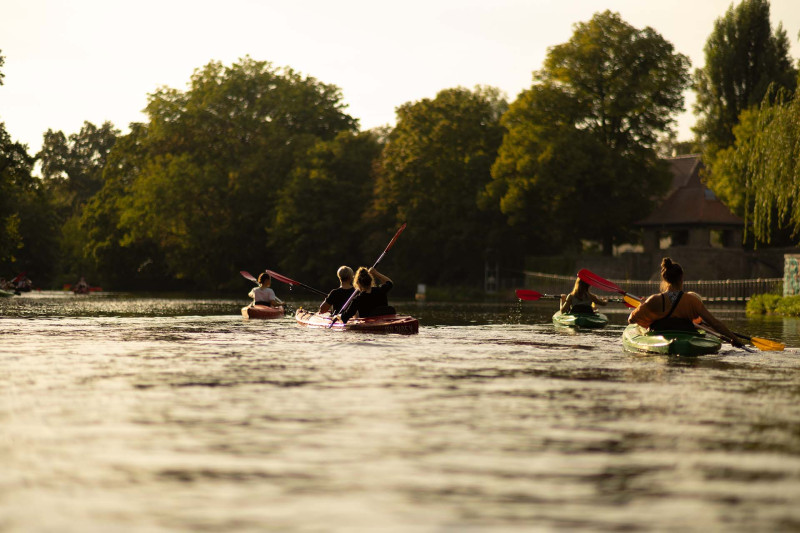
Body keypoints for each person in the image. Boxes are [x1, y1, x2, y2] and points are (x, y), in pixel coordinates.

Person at [628, 257, 744, 345]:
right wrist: (734, 339)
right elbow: (715, 323)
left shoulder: (654, 300)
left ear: (665, 278)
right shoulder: (692, 300)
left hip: (660, 335)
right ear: (682, 278)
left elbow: (631, 320)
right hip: (686, 335)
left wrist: (642, 305)